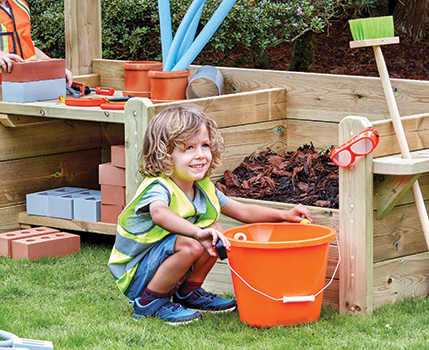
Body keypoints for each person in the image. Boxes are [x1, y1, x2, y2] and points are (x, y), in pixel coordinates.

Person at [109, 105, 311, 325]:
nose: (200, 155)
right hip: (136, 271)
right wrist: (197, 233)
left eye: (204, 145)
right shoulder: (158, 187)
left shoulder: (202, 186)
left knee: (216, 231)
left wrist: (284, 215)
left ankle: (188, 293)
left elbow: (241, 210)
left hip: (162, 264)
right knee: (192, 243)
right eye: (189, 148)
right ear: (164, 154)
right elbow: (160, 214)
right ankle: (150, 301)